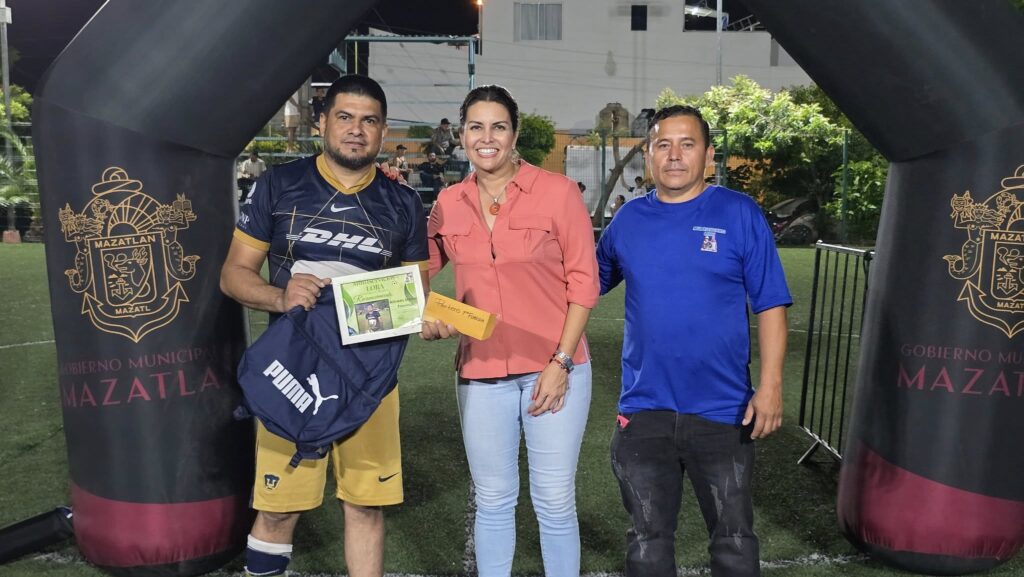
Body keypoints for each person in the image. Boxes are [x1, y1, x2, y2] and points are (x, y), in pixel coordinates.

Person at [220, 74, 429, 577]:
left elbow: (414, 293)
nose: (357, 129)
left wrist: (425, 317)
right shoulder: (278, 184)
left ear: (383, 131)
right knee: (278, 509)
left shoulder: (404, 203)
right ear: (322, 124)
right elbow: (233, 275)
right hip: (292, 372)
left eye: (369, 121)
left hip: (369, 377)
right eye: (345, 117)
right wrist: (280, 295)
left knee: (366, 506)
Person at [596, 104, 791, 577]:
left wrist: (770, 386)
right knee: (647, 542)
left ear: (708, 156)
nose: (674, 155)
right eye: (663, 144)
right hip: (645, 409)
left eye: (687, 144)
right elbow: (581, 286)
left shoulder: (739, 213)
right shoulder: (628, 221)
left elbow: (770, 304)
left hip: (723, 410)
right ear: (648, 155)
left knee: (733, 540)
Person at [421, 85, 599, 577]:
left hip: (553, 370)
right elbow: (418, 270)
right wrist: (426, 314)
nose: (487, 137)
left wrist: (561, 362)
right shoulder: (447, 202)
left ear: (514, 134)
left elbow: (584, 284)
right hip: (480, 373)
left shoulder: (558, 192)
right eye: (476, 127)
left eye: (498, 126)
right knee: (494, 499)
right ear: (462, 136)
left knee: (554, 500)